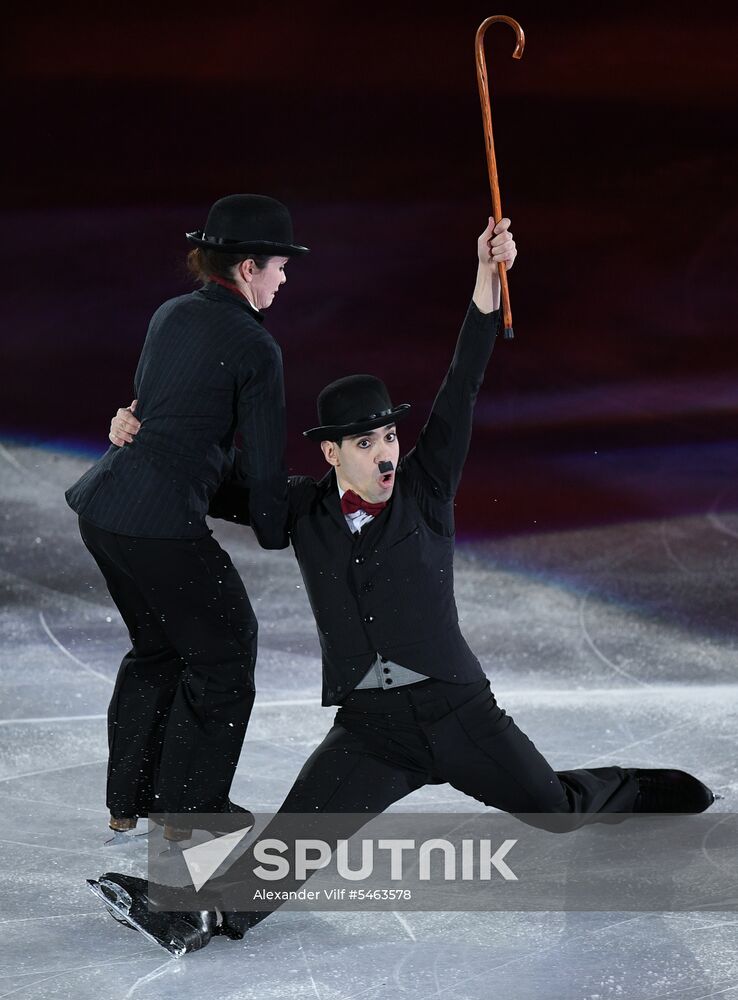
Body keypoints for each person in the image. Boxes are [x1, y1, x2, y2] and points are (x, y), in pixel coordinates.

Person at [88, 217, 715, 956]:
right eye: (366, 442)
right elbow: (211, 476)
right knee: (294, 845)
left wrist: (487, 279)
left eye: (389, 436)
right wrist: (140, 427)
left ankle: (646, 790)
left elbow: (463, 384)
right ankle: (194, 916)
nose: (386, 453)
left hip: (459, 715)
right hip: (373, 729)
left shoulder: (426, 487)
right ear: (331, 453)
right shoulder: (304, 511)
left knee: (557, 809)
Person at [65, 194, 308, 840]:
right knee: (227, 650)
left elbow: (150, 416)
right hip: (159, 525)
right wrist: (281, 523)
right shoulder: (257, 348)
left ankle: (132, 798)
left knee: (162, 647)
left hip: (105, 509)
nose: (285, 278)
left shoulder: (171, 315)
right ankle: (188, 809)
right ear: (249, 267)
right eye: (281, 266)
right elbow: (258, 467)